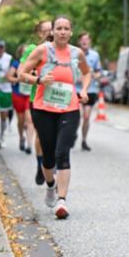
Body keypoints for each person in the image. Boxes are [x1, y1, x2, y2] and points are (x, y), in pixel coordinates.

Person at [18, 15, 91, 220]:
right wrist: (39, 79)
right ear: (53, 31)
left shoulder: (77, 53)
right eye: (59, 28)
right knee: (48, 155)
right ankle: (50, 185)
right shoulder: (42, 50)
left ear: (71, 32)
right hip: (43, 108)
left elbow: (86, 73)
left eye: (66, 28)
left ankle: (62, 200)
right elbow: (21, 73)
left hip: (69, 108)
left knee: (62, 152)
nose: (62, 32)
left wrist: (84, 90)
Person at [20, 20, 53, 184]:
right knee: (41, 136)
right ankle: (41, 166)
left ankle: (52, 167)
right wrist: (37, 78)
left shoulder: (62, 50)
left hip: (58, 101)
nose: (48, 34)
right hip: (38, 99)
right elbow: (22, 72)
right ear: (39, 34)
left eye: (50, 30)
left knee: (57, 138)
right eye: (44, 31)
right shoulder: (33, 50)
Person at [75, 32, 103, 151]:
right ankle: (72, 133)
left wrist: (93, 75)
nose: (85, 41)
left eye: (87, 39)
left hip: (90, 90)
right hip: (76, 89)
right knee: (76, 116)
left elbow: (99, 72)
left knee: (86, 116)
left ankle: (84, 140)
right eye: (82, 39)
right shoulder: (73, 54)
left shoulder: (95, 55)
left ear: (90, 42)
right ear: (79, 42)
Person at [8, 45, 34, 154]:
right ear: (21, 53)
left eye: (29, 51)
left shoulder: (35, 63)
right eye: (25, 52)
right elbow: (9, 77)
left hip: (30, 94)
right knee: (21, 120)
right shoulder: (16, 63)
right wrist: (19, 79)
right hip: (18, 94)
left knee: (29, 119)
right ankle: (21, 137)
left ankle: (29, 145)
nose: (27, 53)